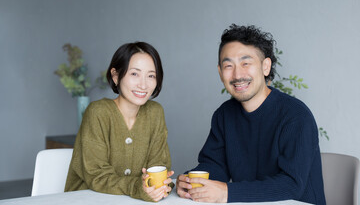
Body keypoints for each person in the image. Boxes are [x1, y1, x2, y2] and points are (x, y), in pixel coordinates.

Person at [176, 24, 326, 204]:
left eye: (246, 63)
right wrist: (190, 181)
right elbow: (215, 165)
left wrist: (227, 193)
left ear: (265, 67)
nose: (237, 74)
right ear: (220, 72)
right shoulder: (224, 115)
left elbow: (291, 184)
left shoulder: (296, 116)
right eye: (228, 66)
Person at [65, 42, 174, 202]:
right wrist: (137, 187)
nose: (143, 84)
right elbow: (96, 175)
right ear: (116, 76)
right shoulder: (98, 112)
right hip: (87, 199)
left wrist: (159, 185)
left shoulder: (155, 112)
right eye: (134, 74)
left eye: (151, 75)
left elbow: (158, 165)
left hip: (134, 201)